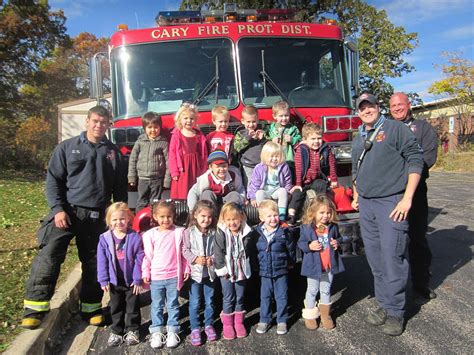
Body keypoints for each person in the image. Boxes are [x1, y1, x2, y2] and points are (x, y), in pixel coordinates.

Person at [21, 106, 128, 329]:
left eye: (103, 122)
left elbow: (119, 189)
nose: (99, 125)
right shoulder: (67, 148)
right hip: (67, 213)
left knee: (95, 263)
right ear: (87, 121)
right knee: (49, 255)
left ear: (109, 124)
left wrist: (119, 217)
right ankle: (35, 307)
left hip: (98, 217)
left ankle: (90, 308)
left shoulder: (113, 153)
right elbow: (53, 182)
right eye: (95, 121)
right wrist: (58, 209)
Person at [351, 92, 424, 336]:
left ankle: (396, 311)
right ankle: (384, 303)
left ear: (378, 106)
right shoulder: (358, 137)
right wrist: (356, 193)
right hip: (367, 206)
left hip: (391, 202)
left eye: (370, 105)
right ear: (358, 112)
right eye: (362, 108)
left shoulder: (395, 129)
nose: (366, 110)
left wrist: (407, 198)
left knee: (393, 256)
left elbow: (416, 160)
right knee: (375, 257)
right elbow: (355, 168)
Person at [389, 92, 438, 301]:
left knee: (417, 238)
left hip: (416, 193)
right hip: (390, 194)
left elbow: (428, 158)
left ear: (409, 105)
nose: (397, 108)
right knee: (393, 242)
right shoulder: (385, 129)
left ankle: (420, 283)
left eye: (400, 104)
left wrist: (406, 176)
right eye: (393, 106)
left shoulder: (424, 128)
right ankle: (392, 288)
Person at [142, 201, 190, 349]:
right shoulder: (150, 235)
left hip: (173, 276)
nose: (165, 219)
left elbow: (184, 253)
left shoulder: (179, 232)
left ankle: (172, 330)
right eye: (162, 216)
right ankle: (156, 331)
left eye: (169, 216)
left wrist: (186, 269)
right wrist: (146, 271)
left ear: (173, 216)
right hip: (156, 277)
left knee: (173, 304)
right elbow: (147, 256)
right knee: (156, 305)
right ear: (155, 217)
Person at [97, 202, 144, 347]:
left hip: (131, 281)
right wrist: (103, 279)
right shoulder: (104, 239)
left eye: (122, 219)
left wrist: (137, 279)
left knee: (132, 307)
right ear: (109, 221)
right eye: (115, 220)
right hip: (114, 281)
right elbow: (102, 260)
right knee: (116, 307)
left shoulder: (135, 237)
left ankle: (132, 329)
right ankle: (117, 331)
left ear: (129, 219)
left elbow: (140, 258)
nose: (119, 222)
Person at [298, 195, 344, 330]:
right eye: (322, 213)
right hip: (313, 266)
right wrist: (309, 245)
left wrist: (337, 243)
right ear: (313, 213)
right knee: (312, 290)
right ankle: (310, 314)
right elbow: (300, 243)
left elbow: (339, 238)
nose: (326, 216)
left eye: (328, 212)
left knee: (326, 290)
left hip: (328, 266)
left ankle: (325, 315)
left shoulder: (332, 227)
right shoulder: (307, 228)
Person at [252, 200, 295, 335]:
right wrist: (255, 265)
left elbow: (291, 249)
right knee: (264, 297)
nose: (273, 219)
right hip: (264, 271)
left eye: (275, 215)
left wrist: (291, 262)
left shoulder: (284, 232)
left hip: (281, 270)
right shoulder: (257, 233)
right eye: (269, 216)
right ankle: (264, 319)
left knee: (281, 296)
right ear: (262, 218)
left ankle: (282, 320)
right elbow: (254, 251)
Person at [214, 202, 253, 340]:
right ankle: (228, 324)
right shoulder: (221, 232)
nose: (232, 223)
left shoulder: (247, 231)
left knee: (240, 296)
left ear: (241, 218)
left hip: (241, 270)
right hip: (227, 271)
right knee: (228, 297)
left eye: (235, 219)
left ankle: (238, 322)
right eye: (228, 220)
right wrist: (221, 269)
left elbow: (249, 251)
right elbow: (218, 252)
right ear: (224, 220)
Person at [182, 201, 218, 346]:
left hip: (209, 274)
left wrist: (212, 259)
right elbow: (185, 250)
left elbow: (218, 250)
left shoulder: (215, 232)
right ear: (195, 215)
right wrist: (196, 259)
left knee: (210, 301)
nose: (206, 220)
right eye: (203, 216)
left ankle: (209, 325)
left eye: (209, 217)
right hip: (195, 274)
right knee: (195, 302)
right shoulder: (188, 232)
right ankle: (195, 328)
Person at [287, 123, 338, 225]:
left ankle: (321, 214)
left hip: (318, 178)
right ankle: (291, 216)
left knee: (321, 190)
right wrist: (298, 184)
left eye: (319, 138)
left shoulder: (325, 149)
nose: (316, 141)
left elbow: (332, 164)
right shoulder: (301, 150)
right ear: (305, 139)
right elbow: (298, 168)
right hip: (304, 179)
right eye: (313, 139)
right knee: (297, 194)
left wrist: (333, 179)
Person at [128, 112, 170, 212]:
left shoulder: (163, 143)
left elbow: (168, 162)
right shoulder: (140, 142)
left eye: (155, 127)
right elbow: (133, 159)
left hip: (157, 179)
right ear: (144, 128)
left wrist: (167, 180)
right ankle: (138, 222)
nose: (153, 130)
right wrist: (132, 177)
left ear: (160, 127)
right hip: (142, 179)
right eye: (149, 127)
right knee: (141, 201)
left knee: (155, 202)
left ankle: (154, 222)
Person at [169, 103, 208, 200]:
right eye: (185, 118)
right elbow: (172, 154)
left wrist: (204, 168)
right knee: (182, 192)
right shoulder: (176, 135)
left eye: (191, 118)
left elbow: (203, 153)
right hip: (182, 169)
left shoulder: (199, 135)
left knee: (196, 191)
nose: (189, 121)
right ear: (179, 120)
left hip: (196, 168)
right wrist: (174, 172)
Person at [247, 141, 293, 220]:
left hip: (277, 191)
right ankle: (263, 216)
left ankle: (281, 216)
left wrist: (287, 192)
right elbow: (254, 184)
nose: (274, 159)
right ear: (265, 156)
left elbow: (288, 181)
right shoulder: (259, 168)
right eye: (271, 156)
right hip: (265, 191)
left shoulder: (284, 167)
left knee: (283, 191)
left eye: (277, 156)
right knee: (259, 193)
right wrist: (253, 197)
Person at [233, 105, 267, 188]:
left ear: (257, 120)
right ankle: (250, 200)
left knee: (262, 185)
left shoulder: (261, 133)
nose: (251, 124)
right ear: (243, 121)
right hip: (248, 166)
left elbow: (267, 148)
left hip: (261, 165)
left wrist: (262, 140)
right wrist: (248, 138)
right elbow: (237, 148)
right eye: (248, 122)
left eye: (254, 121)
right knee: (250, 186)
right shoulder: (240, 134)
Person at [265, 100, 301, 166]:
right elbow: (265, 140)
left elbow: (300, 140)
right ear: (274, 116)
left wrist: (292, 139)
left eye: (286, 115)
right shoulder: (270, 129)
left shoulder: (293, 129)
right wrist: (271, 141)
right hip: (274, 160)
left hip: (289, 160)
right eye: (281, 116)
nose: (284, 118)